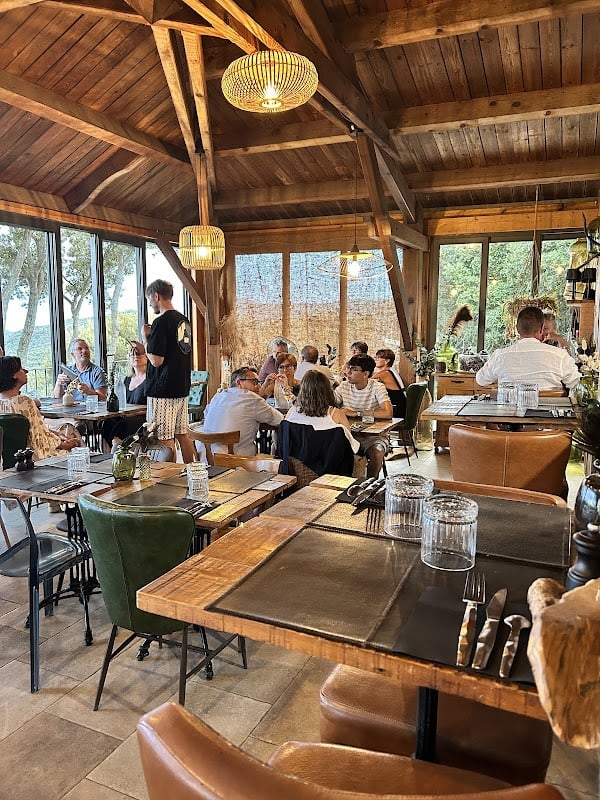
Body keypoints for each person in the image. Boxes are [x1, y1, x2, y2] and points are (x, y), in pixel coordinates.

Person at [140, 278, 194, 463]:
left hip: (162, 389)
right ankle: (191, 470)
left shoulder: (161, 322)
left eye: (150, 299)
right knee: (182, 434)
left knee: (164, 439)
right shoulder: (184, 320)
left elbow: (156, 360)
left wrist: (145, 339)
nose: (150, 304)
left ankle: (169, 476)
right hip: (181, 385)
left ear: (156, 296)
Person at [476, 305, 580, 391]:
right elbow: (577, 384)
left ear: (517, 329)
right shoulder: (560, 356)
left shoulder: (500, 356)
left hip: (510, 410)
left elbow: (480, 380)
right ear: (541, 329)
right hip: (549, 409)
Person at [0, 356, 80, 460]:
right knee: (77, 447)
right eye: (21, 369)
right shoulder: (24, 402)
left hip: (9, 459)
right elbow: (38, 439)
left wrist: (57, 435)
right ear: (13, 375)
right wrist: (65, 445)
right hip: (32, 457)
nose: (26, 371)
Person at [202, 367, 283, 456]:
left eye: (258, 383)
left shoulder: (218, 396)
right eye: (254, 382)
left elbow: (206, 414)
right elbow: (279, 419)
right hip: (237, 460)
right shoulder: (252, 398)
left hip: (207, 458)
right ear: (239, 382)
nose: (259, 386)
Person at [101, 344, 148, 451]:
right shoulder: (127, 380)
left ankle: (118, 451)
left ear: (147, 356)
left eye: (139, 353)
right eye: (132, 353)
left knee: (121, 426)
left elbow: (153, 406)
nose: (135, 356)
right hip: (125, 416)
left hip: (143, 418)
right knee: (106, 423)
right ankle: (111, 453)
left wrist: (133, 413)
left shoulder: (150, 379)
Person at [334, 355, 393, 419]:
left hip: (371, 424)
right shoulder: (344, 386)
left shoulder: (377, 387)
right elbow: (328, 404)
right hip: (347, 424)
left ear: (365, 374)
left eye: (353, 369)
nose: (348, 372)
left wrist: (357, 413)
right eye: (348, 368)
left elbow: (388, 413)